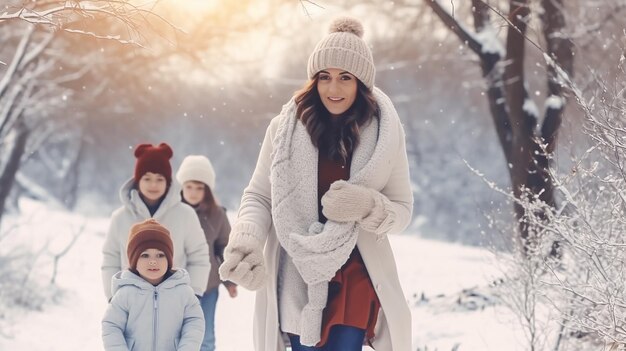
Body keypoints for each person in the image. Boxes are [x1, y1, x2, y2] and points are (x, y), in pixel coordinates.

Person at [219, 16, 413, 351]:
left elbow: (403, 210)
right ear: (314, 79)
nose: (333, 89)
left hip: (356, 271)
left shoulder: (385, 135)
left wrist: (367, 205)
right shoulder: (283, 129)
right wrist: (246, 238)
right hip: (296, 273)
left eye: (345, 78)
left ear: (361, 83)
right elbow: (260, 195)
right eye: (324, 77)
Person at [101, 143, 210, 301]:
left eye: (160, 179)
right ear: (138, 180)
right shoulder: (120, 218)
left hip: (175, 301)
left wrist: (193, 294)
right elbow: (110, 258)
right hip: (131, 303)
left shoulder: (186, 215)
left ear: (168, 182)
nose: (153, 185)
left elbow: (199, 256)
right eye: (147, 178)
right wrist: (113, 296)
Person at [102, 219, 205, 351]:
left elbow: (194, 321)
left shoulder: (183, 292)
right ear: (134, 261)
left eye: (160, 255)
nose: (153, 261)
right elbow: (111, 325)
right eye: (145, 255)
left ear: (169, 260)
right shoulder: (125, 293)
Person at [176, 155, 237, 351]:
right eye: (189, 187)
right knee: (176, 333)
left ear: (207, 190)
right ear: (181, 187)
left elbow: (224, 249)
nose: (193, 193)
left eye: (199, 188)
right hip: (175, 285)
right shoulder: (171, 212)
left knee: (205, 335)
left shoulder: (217, 214)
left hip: (207, 286)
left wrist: (230, 281)